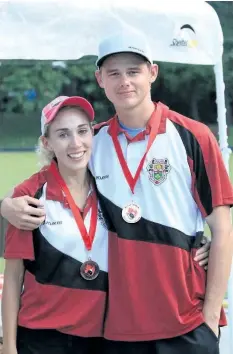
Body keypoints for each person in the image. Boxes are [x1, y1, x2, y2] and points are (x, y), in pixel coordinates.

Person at [1, 27, 230, 354]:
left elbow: (223, 229)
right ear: (99, 79)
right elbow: (36, 187)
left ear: (152, 73)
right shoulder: (92, 142)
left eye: (134, 71)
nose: (124, 81)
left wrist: (209, 318)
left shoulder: (193, 137)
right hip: (118, 332)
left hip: (189, 324)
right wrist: (6, 206)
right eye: (114, 73)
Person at [2, 96, 109, 354]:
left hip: (103, 336)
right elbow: (14, 278)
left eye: (82, 131)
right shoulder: (29, 193)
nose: (76, 143)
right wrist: (8, 346)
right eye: (63, 134)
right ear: (47, 143)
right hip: (42, 338)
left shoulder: (110, 186)